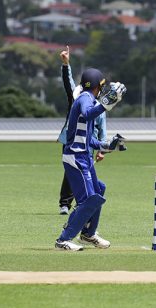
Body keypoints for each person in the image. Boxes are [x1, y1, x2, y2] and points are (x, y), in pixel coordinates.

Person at [54, 67, 126, 251]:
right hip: (76, 158)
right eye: (102, 86)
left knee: (99, 189)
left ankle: (88, 234)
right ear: (97, 86)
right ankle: (63, 239)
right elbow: (87, 114)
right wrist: (105, 104)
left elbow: (88, 138)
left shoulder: (87, 98)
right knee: (89, 200)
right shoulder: (86, 99)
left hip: (83, 156)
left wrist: (107, 145)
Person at [57, 47, 107, 215]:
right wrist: (66, 64)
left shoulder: (98, 105)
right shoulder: (78, 97)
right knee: (72, 172)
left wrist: (103, 149)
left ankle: (83, 206)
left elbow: (102, 127)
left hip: (89, 144)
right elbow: (68, 82)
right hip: (72, 142)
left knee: (89, 179)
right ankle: (65, 204)